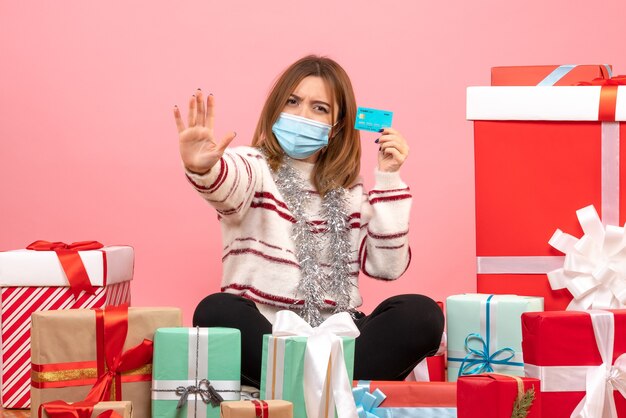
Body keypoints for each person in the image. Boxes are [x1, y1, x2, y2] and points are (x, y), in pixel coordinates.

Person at [175, 55, 444, 388]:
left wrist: (388, 178)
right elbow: (227, 185)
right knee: (215, 311)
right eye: (292, 102)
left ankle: (300, 382)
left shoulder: (349, 191)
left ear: (338, 126)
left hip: (340, 336)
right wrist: (203, 169)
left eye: (320, 108)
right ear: (275, 109)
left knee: (422, 314)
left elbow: (386, 266)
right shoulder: (253, 164)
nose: (302, 115)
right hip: (268, 334)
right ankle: (327, 386)